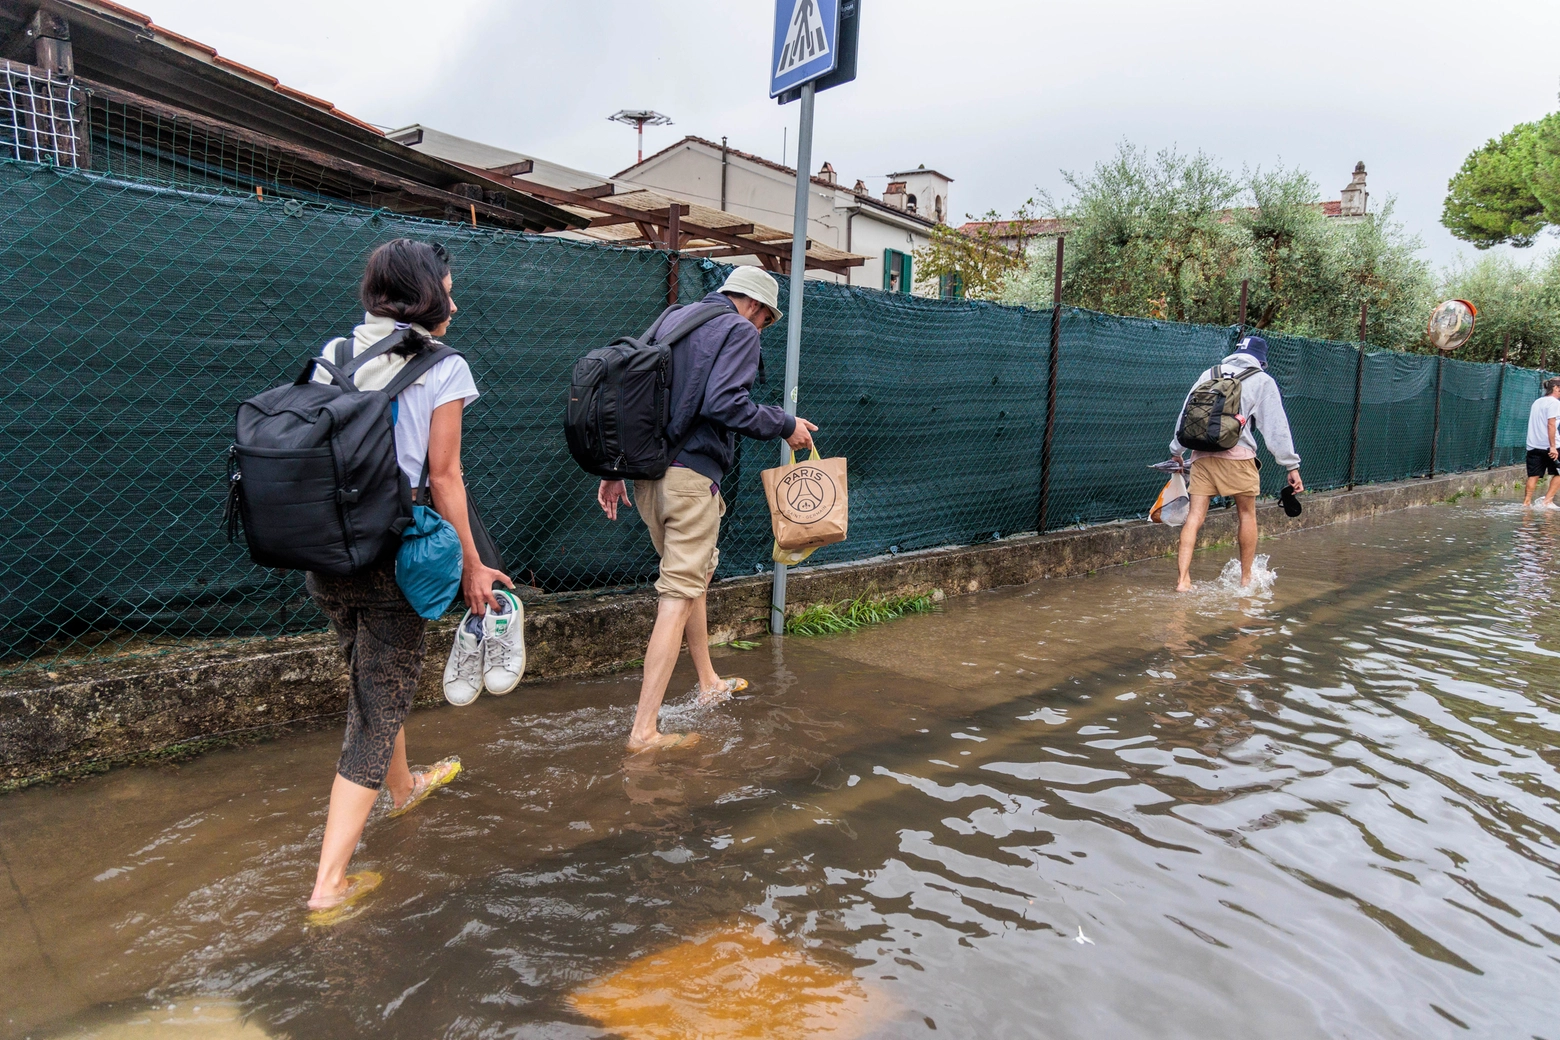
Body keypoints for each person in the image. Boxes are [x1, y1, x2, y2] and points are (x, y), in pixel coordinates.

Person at [304, 239, 515, 920]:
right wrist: (475, 562)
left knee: (373, 686)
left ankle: (402, 790)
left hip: (326, 554)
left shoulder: (331, 355)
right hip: (398, 556)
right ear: (425, 295)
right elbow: (445, 476)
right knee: (373, 709)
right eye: (448, 290)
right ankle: (329, 883)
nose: (455, 302)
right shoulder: (442, 366)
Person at [596, 266, 816, 752]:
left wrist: (614, 468)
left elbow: (628, 395)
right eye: (765, 321)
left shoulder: (674, 319)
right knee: (676, 595)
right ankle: (644, 731)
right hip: (691, 480)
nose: (761, 329)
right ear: (757, 307)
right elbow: (725, 403)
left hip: (649, 477)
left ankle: (709, 680)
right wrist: (785, 425)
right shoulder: (738, 329)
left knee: (691, 577)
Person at [1170, 335, 1304, 592]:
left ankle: (1183, 580)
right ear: (1261, 360)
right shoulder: (1262, 380)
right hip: (1239, 458)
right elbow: (1275, 427)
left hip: (1202, 456)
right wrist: (1291, 465)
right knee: (1246, 514)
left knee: (1195, 517)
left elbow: (1186, 415)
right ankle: (1245, 579)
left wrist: (1176, 451)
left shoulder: (1209, 373)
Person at [1522, 377, 1560, 507]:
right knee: (1559, 473)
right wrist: (1553, 447)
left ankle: (1526, 503)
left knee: (1533, 475)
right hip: (1551, 446)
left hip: (1533, 445)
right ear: (1556, 388)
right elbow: (1551, 424)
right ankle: (1547, 501)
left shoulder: (1537, 402)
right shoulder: (1554, 403)